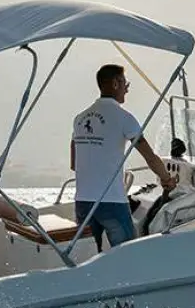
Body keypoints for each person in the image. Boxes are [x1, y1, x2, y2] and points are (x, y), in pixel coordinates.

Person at [70, 64, 176, 251]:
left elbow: (74, 163)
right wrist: (167, 180)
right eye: (125, 82)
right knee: (129, 256)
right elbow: (150, 157)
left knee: (88, 262)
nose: (127, 87)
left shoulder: (80, 118)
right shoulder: (124, 118)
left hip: (83, 202)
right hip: (111, 202)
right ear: (115, 83)